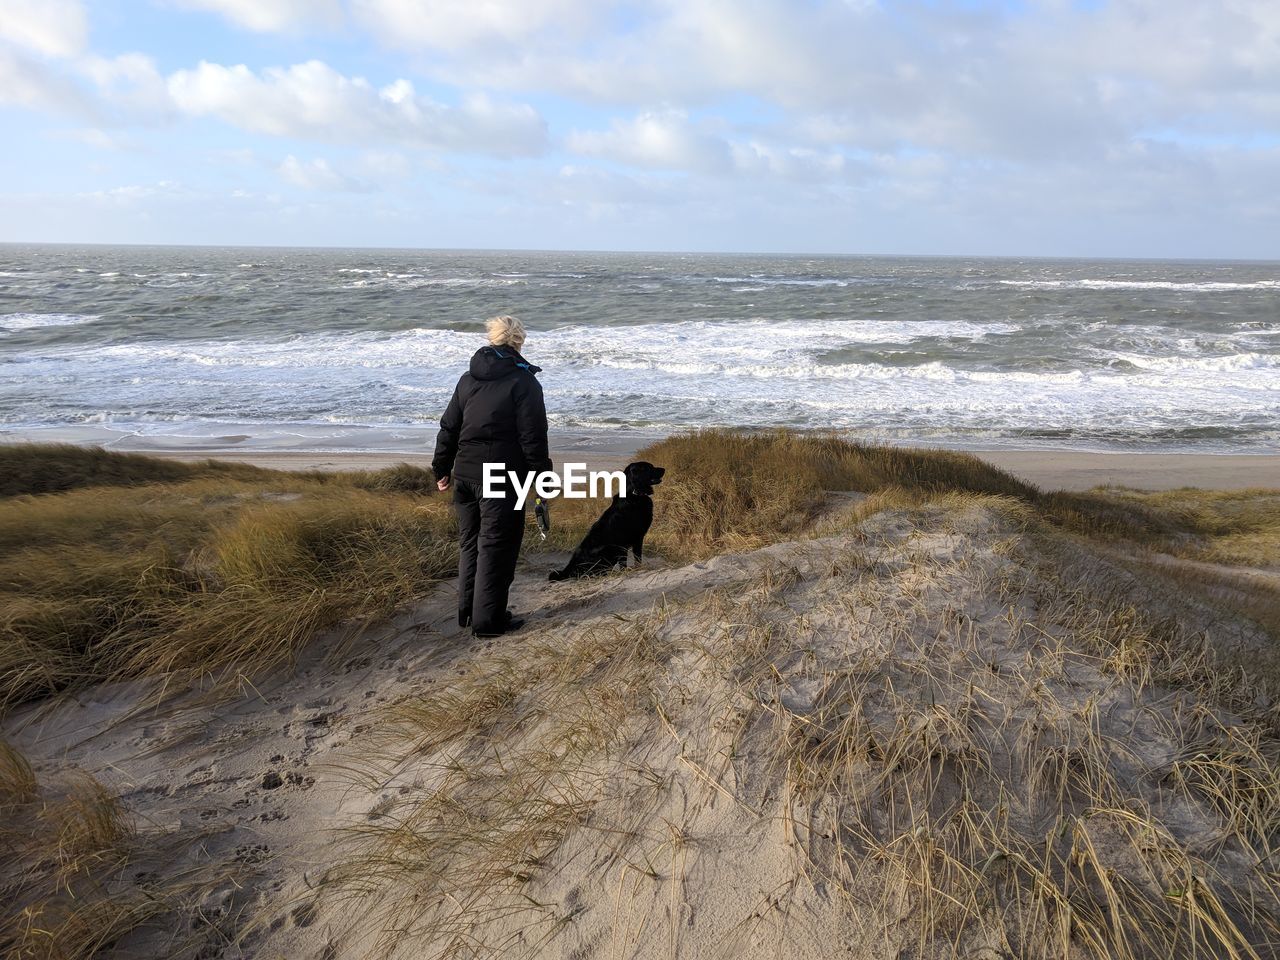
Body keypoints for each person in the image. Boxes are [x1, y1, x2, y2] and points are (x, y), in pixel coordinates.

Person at [432, 315, 551, 637]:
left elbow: (449, 427)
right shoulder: (524, 382)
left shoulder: (467, 379)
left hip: (465, 473)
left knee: (471, 543)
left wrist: (441, 469)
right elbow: (534, 438)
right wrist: (543, 480)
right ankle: (489, 623)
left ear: (492, 338)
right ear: (519, 341)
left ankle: (469, 614)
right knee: (496, 546)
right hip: (500, 474)